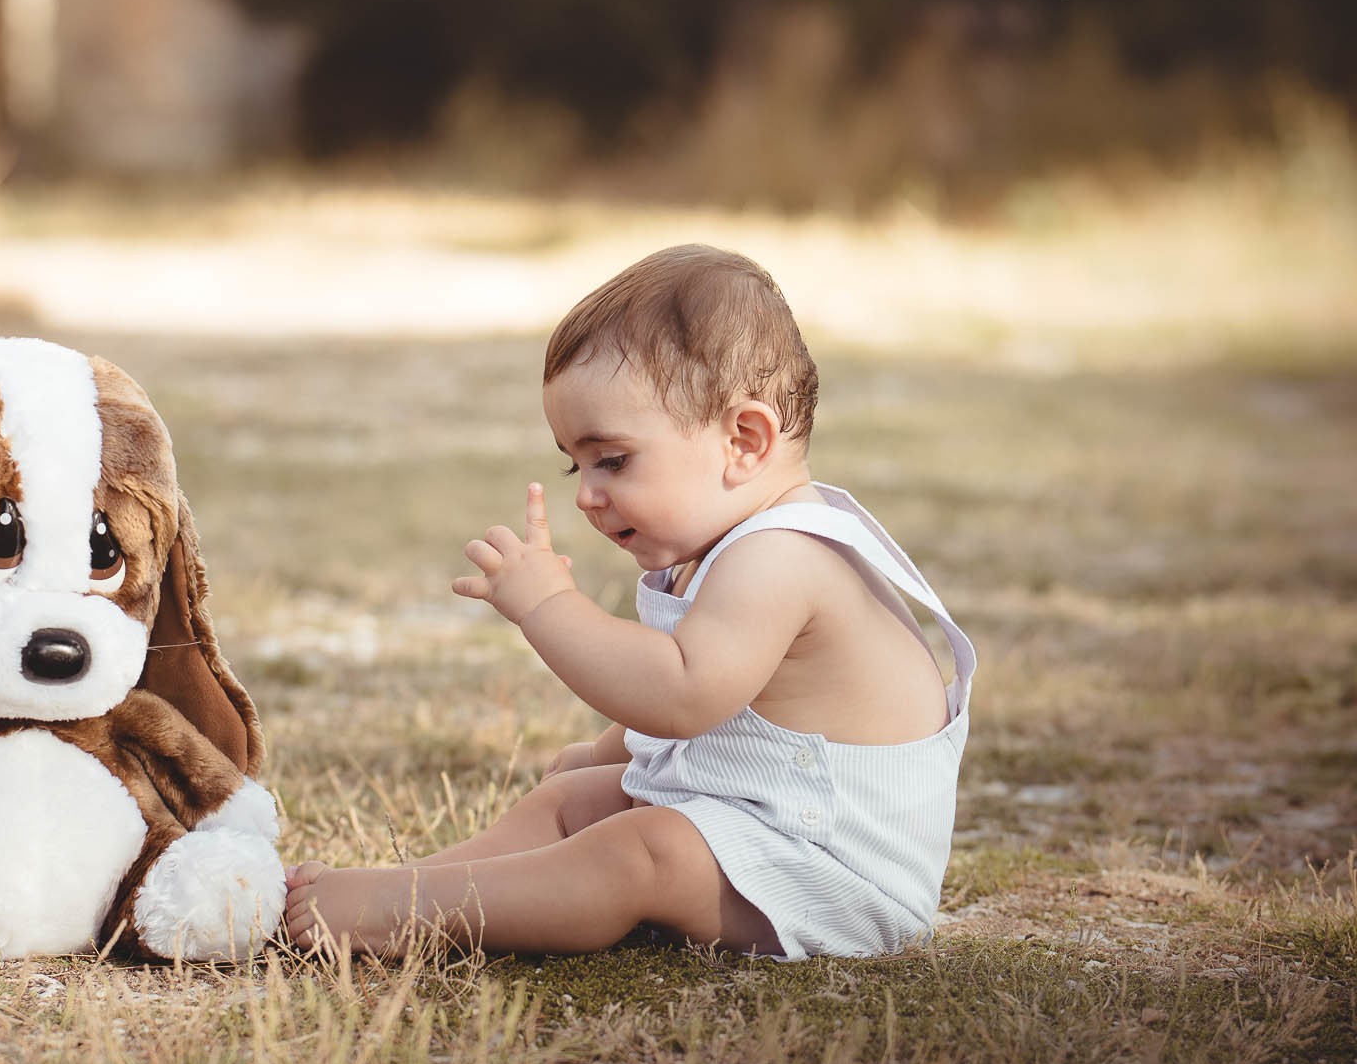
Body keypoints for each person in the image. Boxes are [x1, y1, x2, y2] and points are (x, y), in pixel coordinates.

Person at [284, 245, 975, 961]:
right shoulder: (724, 546)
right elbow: (733, 715)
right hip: (766, 821)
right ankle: (409, 887)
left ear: (744, 440)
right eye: (573, 463)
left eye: (612, 459)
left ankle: (408, 912)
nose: (586, 492)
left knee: (638, 849)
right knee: (567, 800)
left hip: (838, 876)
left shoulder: (784, 557)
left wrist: (548, 605)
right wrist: (604, 751)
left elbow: (681, 693)